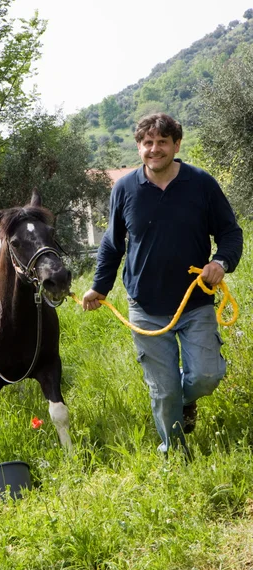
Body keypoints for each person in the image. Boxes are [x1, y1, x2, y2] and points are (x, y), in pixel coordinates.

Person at [83, 113, 243, 456]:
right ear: (139, 147)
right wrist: (99, 287)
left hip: (195, 301)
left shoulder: (201, 183)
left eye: (162, 142)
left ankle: (184, 401)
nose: (155, 150)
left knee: (207, 376)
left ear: (176, 145)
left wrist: (221, 262)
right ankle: (174, 454)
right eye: (148, 143)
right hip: (146, 306)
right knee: (162, 390)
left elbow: (230, 233)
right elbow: (112, 244)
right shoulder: (124, 188)